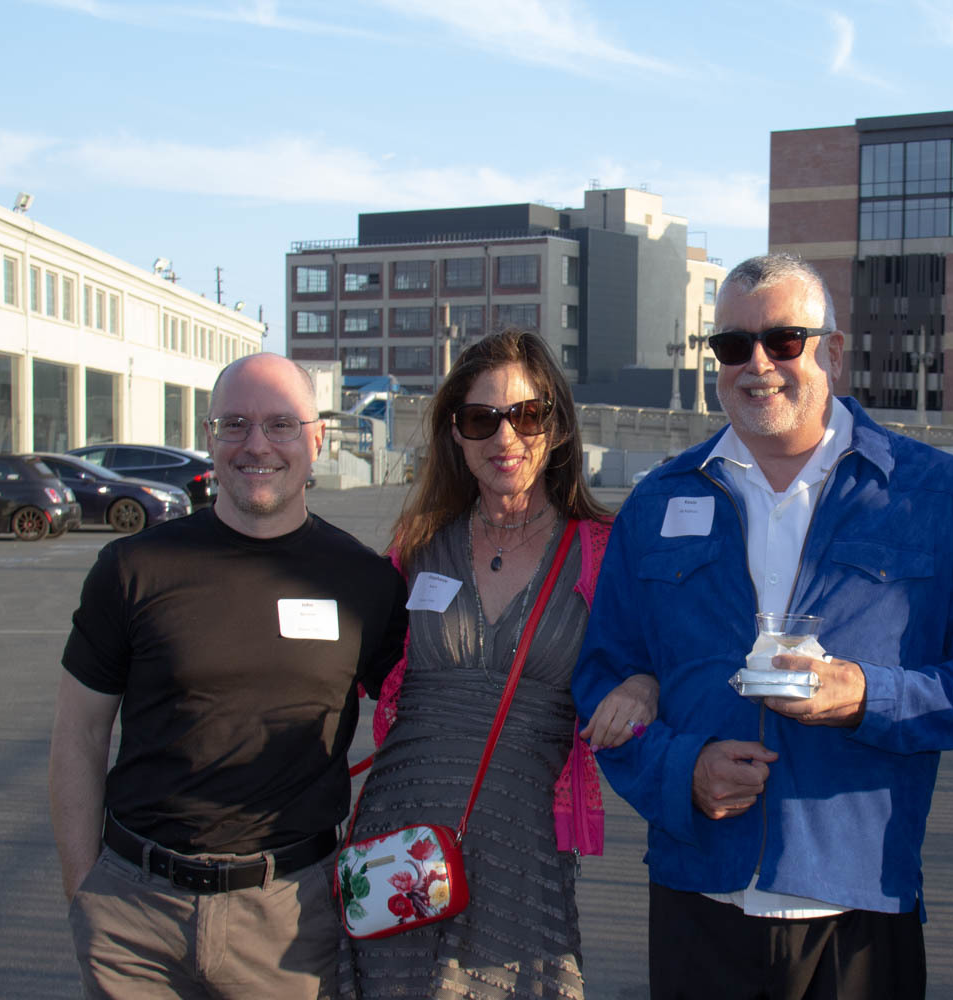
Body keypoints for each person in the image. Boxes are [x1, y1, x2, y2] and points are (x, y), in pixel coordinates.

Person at [573, 253, 953, 999]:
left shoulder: (934, 495)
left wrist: (864, 697)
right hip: (697, 899)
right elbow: (600, 678)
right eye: (732, 345)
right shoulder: (659, 501)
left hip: (857, 907)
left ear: (834, 354)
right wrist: (680, 772)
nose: (758, 364)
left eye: (785, 340)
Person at [50, 353, 409, 999]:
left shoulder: (366, 582)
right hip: (134, 921)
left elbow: (423, 715)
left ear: (317, 438)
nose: (256, 445)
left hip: (289, 922)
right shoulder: (133, 568)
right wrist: (87, 895)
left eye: (280, 424)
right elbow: (78, 736)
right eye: (235, 423)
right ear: (210, 435)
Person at [339, 329, 657, 1000]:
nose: (505, 437)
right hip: (400, 845)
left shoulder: (603, 548)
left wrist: (643, 684)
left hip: (522, 847)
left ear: (558, 426)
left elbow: (657, 651)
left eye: (527, 415)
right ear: (456, 434)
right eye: (482, 419)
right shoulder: (418, 545)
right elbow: (353, 659)